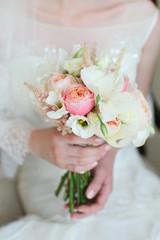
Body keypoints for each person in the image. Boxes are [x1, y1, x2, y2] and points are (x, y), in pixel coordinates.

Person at [0, 0, 160, 239]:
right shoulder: (7, 10)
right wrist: (35, 142)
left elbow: (139, 110)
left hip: (121, 173)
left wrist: (108, 155)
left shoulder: (145, 16)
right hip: (46, 180)